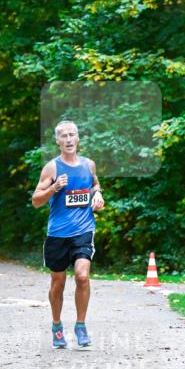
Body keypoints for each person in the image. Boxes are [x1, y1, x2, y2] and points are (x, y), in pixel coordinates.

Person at [31, 120, 104, 348]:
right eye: (64, 136)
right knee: (58, 282)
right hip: (58, 234)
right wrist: (54, 188)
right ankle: (56, 326)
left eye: (72, 135)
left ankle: (81, 326)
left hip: (83, 230)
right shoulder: (52, 168)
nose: (69, 139)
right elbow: (35, 201)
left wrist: (98, 195)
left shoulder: (88, 165)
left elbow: (94, 185)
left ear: (78, 138)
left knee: (82, 276)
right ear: (58, 141)